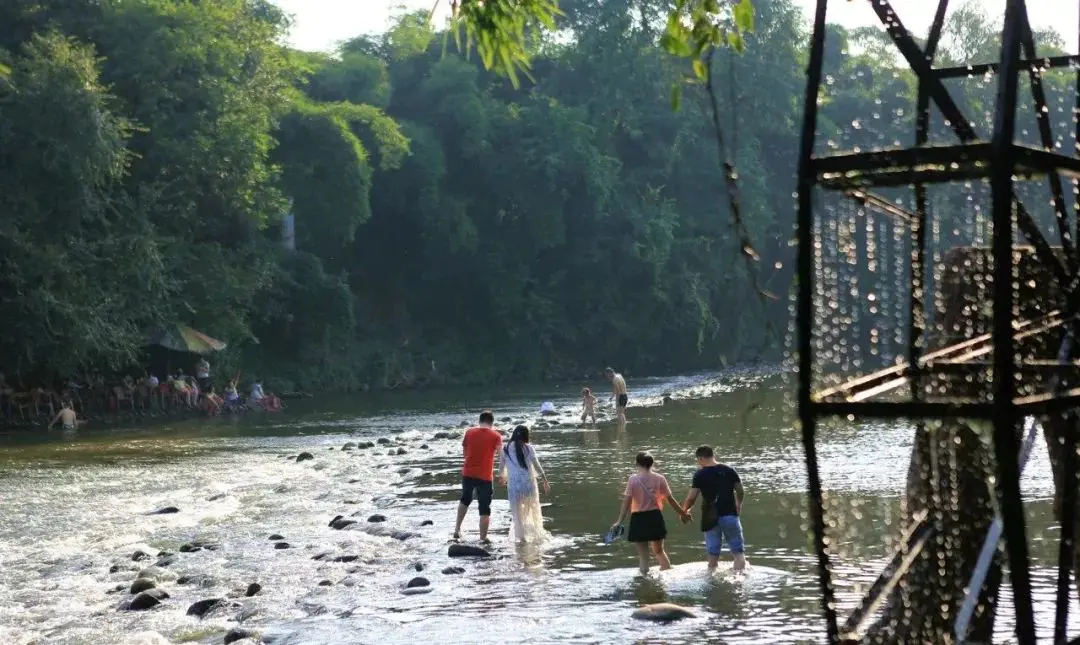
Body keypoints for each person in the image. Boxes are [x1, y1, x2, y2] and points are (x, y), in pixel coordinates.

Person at [611, 452, 690, 574]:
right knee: (659, 552)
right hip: (655, 517)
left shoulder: (633, 480)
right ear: (652, 464)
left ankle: (644, 582)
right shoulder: (659, 478)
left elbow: (626, 503)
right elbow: (670, 500)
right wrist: (683, 513)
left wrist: (619, 521)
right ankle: (668, 576)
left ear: (637, 463)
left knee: (643, 557)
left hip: (638, 518)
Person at [681, 445, 747, 572]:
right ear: (712, 455)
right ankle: (740, 581)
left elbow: (691, 497)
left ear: (700, 458)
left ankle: (711, 584)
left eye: (697, 460)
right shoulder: (729, 470)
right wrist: (739, 504)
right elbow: (740, 490)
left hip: (710, 518)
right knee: (738, 554)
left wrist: (684, 511)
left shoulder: (700, 474)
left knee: (712, 556)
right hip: (730, 515)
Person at [453, 410, 503, 542]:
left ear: (479, 421)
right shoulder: (496, 435)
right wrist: (502, 473)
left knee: (465, 499)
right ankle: (483, 537)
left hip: (468, 472)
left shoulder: (469, 432)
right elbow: (501, 455)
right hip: (485, 476)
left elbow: (465, 451)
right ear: (492, 423)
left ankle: (457, 529)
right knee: (485, 506)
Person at [498, 425, 551, 543]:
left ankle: (521, 538)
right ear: (526, 436)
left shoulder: (505, 449)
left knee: (517, 514)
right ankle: (535, 534)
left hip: (514, 487)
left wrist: (502, 477)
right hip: (528, 485)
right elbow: (537, 465)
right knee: (530, 510)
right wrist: (545, 481)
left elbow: (501, 468)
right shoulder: (528, 448)